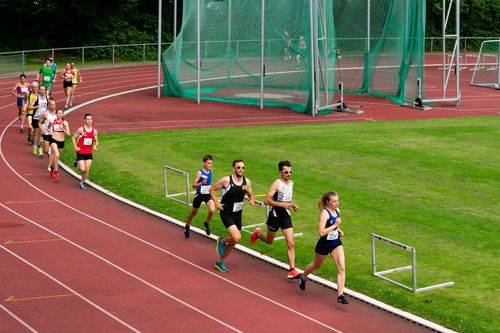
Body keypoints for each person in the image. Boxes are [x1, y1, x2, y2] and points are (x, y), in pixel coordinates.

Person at [250, 160, 300, 279]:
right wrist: (281, 205)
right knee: (269, 240)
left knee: (291, 243)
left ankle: (292, 270)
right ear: (280, 172)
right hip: (275, 216)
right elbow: (267, 201)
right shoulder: (277, 184)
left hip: (285, 216)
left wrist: (292, 204)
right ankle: (257, 234)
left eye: (290, 171)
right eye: (286, 172)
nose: (288, 174)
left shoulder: (291, 183)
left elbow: (287, 199)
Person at [298, 191, 348, 305]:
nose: (336, 203)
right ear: (327, 202)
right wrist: (335, 225)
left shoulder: (337, 211)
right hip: (324, 245)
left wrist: (338, 230)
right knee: (317, 265)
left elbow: (334, 225)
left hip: (336, 243)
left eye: (337, 200)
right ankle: (303, 277)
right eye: (334, 201)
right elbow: (321, 232)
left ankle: (340, 295)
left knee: (342, 268)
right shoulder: (324, 214)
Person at [210, 160, 255, 273]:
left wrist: (252, 199)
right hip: (226, 212)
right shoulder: (226, 180)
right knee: (237, 237)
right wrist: (216, 203)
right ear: (233, 168)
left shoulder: (247, 181)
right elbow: (212, 189)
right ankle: (222, 241)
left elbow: (250, 192)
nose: (241, 170)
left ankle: (220, 262)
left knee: (234, 241)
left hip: (237, 214)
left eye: (243, 167)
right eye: (238, 167)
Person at [184, 154, 215, 238]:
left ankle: (206, 223)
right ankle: (187, 225)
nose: (210, 165)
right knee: (194, 212)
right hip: (199, 195)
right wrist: (201, 183)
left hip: (207, 195)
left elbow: (209, 183)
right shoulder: (200, 173)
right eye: (208, 163)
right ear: (203, 163)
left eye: (211, 163)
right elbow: (193, 185)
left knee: (212, 210)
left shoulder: (211, 171)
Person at [71, 113, 98, 190]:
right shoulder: (81, 129)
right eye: (87, 119)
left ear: (92, 120)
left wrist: (95, 145)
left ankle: (81, 183)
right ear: (85, 120)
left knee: (87, 169)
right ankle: (77, 161)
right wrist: (75, 147)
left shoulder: (94, 131)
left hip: (89, 152)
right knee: (82, 169)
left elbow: (96, 140)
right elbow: (73, 138)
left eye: (90, 119)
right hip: (80, 151)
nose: (89, 121)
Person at [47, 109, 70, 182]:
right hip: (53, 140)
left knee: (56, 159)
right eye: (58, 113)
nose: (60, 114)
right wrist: (50, 131)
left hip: (61, 142)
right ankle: (56, 172)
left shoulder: (65, 123)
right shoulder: (52, 121)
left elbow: (68, 134)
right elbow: (48, 128)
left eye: (61, 113)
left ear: (63, 114)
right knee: (56, 155)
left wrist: (63, 128)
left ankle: (52, 167)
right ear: (56, 114)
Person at [38, 99, 58, 170]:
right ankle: (42, 144)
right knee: (46, 150)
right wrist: (42, 130)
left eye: (54, 105)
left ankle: (51, 165)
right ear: (49, 106)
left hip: (55, 135)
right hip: (46, 134)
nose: (53, 106)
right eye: (52, 105)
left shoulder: (58, 113)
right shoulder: (45, 114)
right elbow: (39, 123)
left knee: (53, 151)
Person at [32, 85, 49, 158]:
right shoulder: (36, 97)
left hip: (43, 118)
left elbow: (48, 107)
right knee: (35, 134)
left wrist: (47, 114)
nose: (42, 91)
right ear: (39, 90)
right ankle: (34, 146)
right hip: (36, 118)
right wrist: (36, 106)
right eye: (41, 89)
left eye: (43, 90)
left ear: (45, 90)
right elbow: (29, 107)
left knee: (42, 133)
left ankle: (40, 149)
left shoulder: (47, 97)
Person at [25, 81, 40, 146]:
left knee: (35, 129)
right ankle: (29, 133)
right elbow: (24, 99)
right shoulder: (29, 93)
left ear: (37, 87)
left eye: (35, 87)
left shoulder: (40, 94)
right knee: (30, 126)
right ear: (31, 87)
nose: (34, 88)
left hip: (37, 113)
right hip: (30, 112)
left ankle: (31, 136)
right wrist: (24, 105)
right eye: (33, 87)